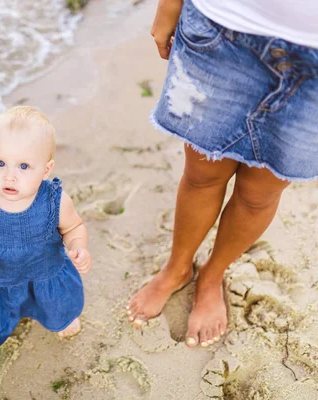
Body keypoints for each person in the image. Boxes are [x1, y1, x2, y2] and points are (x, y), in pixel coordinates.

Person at [127, 0, 318, 347]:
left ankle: (212, 276)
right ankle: (177, 268)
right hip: (224, 25)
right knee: (201, 173)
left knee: (259, 193)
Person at [0, 106, 91, 347]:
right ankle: (7, 317)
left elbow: (73, 227)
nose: (10, 176)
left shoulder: (54, 201)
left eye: (23, 166)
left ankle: (60, 319)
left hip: (44, 273)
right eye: (0, 163)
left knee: (58, 308)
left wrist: (77, 246)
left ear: (46, 170)